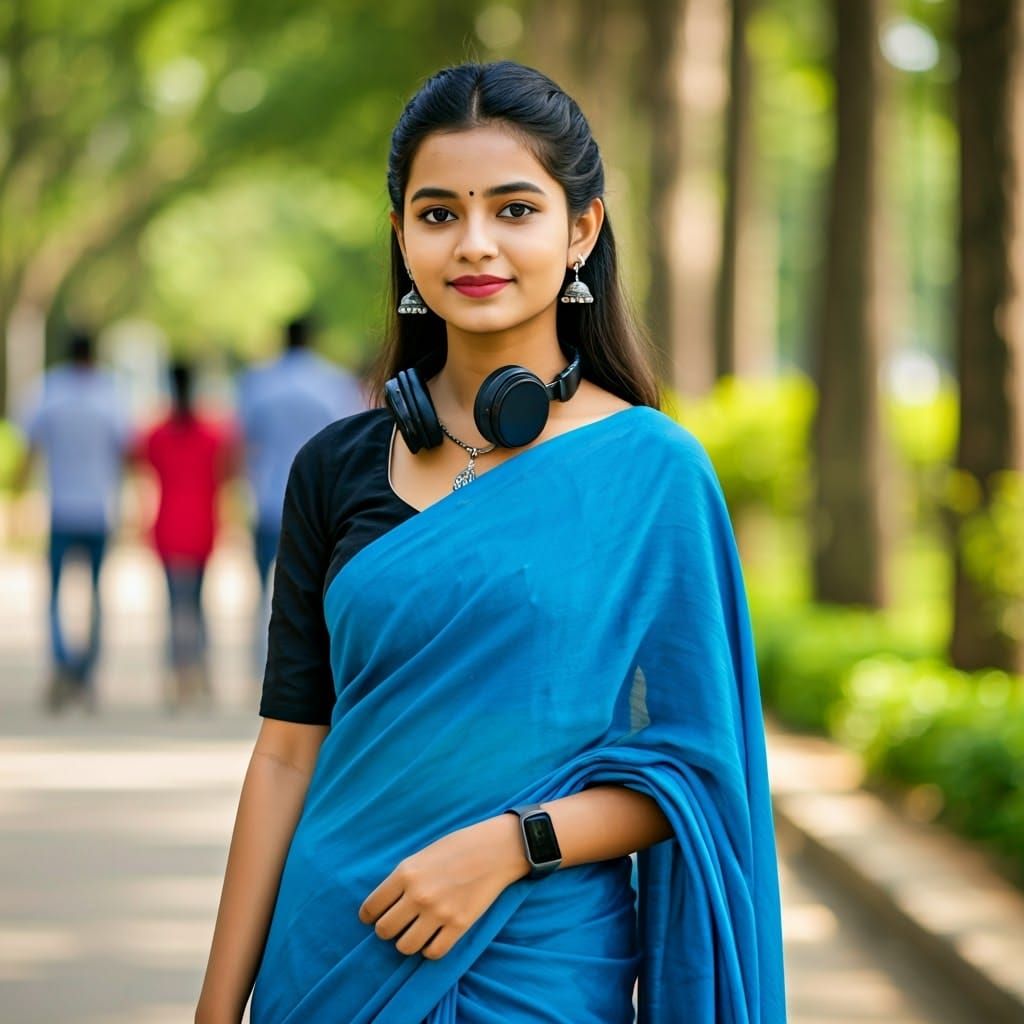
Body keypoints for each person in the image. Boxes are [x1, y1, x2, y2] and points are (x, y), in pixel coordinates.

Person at [196, 61, 786, 1023]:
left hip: (545, 965)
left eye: (515, 210)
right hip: (330, 956)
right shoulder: (334, 469)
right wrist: (218, 1009)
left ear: (581, 229)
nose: (475, 245)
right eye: (437, 215)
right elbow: (285, 757)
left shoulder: (649, 474)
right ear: (400, 235)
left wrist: (516, 842)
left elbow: (695, 770)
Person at [236, 315, 366, 674]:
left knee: (263, 588)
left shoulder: (257, 383)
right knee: (317, 591)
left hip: (268, 499)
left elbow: (244, 442)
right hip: (321, 505)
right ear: (312, 339)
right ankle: (312, 667)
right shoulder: (334, 382)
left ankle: (262, 662)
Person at [16, 329, 131, 713]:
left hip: (61, 508)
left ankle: (63, 663)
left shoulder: (48, 391)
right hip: (99, 509)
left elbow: (29, 448)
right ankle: (86, 671)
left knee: (54, 596)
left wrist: (18, 498)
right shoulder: (111, 395)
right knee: (96, 595)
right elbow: (127, 453)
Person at [134, 361, 239, 710]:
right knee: (198, 603)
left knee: (173, 605)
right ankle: (201, 673)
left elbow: (142, 467)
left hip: (167, 526)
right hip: (203, 525)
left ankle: (176, 676)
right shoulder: (213, 435)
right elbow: (227, 474)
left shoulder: (157, 434)